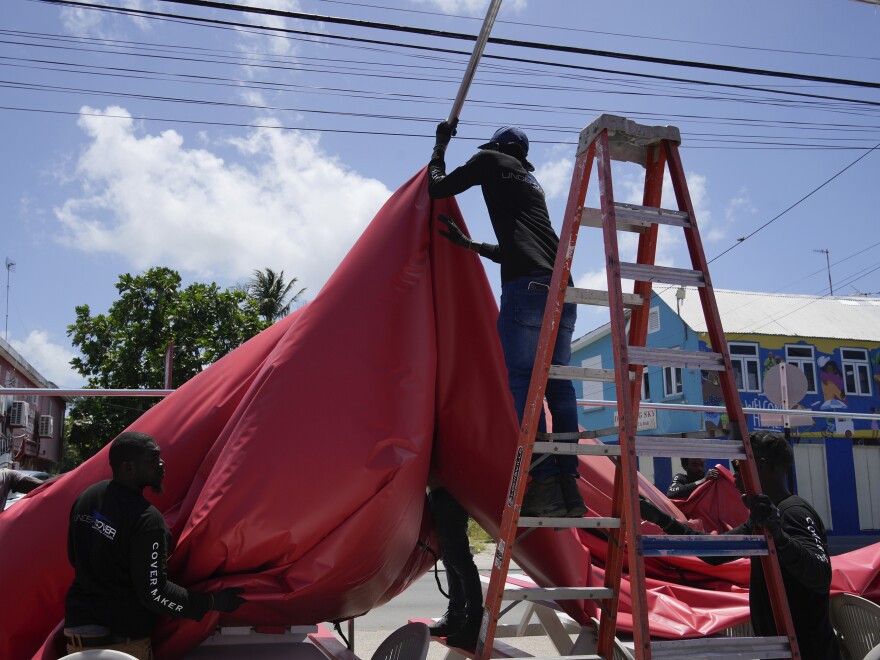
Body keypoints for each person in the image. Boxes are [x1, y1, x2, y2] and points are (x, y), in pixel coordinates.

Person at [427, 122, 587, 519]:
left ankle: (544, 479)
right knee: (559, 387)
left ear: (497, 147)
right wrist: (471, 245)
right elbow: (521, 246)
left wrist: (440, 146)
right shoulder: (533, 184)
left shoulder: (486, 159)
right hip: (563, 289)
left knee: (523, 382)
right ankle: (569, 483)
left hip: (527, 289)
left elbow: (437, 187)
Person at [640, 432, 841, 660]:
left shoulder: (793, 513)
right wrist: (662, 520)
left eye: (738, 464)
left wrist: (780, 537)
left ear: (760, 466)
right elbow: (714, 553)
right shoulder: (762, 517)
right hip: (781, 650)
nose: (733, 474)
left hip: (808, 652)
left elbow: (821, 575)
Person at [64, 431, 248, 659]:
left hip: (78, 633)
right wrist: (212, 602)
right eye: (152, 460)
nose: (161, 464)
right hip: (120, 644)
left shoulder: (86, 498)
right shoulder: (147, 520)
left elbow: (75, 558)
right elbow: (154, 593)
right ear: (128, 468)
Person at [427, 484, 483, 649]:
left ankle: (473, 624)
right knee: (450, 559)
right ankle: (456, 616)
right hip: (441, 493)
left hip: (449, 494)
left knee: (460, 561)